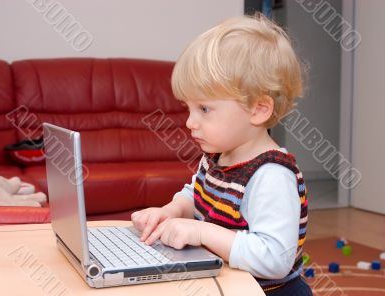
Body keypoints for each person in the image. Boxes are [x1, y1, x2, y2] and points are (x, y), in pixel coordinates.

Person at [131, 13, 312, 295]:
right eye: (188, 108)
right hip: (226, 283)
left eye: (204, 109)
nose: (190, 122)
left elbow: (275, 259)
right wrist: (172, 211)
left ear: (258, 109)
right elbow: (196, 194)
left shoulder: (272, 175)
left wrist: (201, 232)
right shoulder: (218, 156)